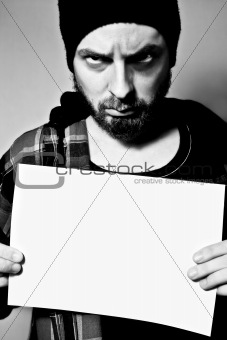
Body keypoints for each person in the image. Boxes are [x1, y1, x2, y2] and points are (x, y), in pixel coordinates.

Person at [0, 1, 227, 339]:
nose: (121, 89)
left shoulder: (219, 149)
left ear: (171, 57)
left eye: (143, 58)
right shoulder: (34, 157)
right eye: (97, 59)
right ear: (72, 63)